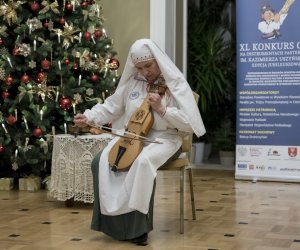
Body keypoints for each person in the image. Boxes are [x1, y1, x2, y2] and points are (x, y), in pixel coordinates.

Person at [74, 38, 205, 245]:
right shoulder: (133, 83)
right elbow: (110, 107)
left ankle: (139, 229)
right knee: (99, 162)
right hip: (132, 135)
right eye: (140, 67)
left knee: (141, 162)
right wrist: (88, 117)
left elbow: (188, 124)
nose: (146, 72)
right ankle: (110, 224)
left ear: (157, 61)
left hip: (165, 139)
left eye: (148, 66)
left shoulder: (174, 84)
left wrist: (163, 109)